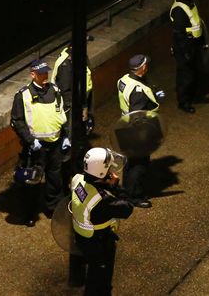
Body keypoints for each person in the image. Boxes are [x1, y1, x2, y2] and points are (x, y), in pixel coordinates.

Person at [10, 59, 69, 227]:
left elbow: (61, 114)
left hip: (55, 143)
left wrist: (65, 135)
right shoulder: (23, 95)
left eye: (46, 72)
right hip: (36, 147)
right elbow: (16, 121)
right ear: (33, 74)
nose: (45, 75)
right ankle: (30, 214)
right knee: (32, 181)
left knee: (55, 177)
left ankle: (54, 209)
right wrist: (30, 141)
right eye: (42, 73)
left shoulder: (55, 90)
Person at [71, 147, 134, 296]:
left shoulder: (77, 179)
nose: (112, 169)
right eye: (109, 167)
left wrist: (105, 183)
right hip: (98, 241)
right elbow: (127, 208)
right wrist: (117, 188)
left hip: (81, 237)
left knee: (93, 268)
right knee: (100, 275)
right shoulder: (102, 201)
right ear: (100, 173)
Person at [117, 54, 165, 208]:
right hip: (136, 132)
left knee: (130, 162)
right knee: (139, 164)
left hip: (124, 126)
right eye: (146, 65)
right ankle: (134, 196)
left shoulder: (124, 79)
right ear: (142, 68)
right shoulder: (138, 91)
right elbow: (137, 115)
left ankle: (127, 190)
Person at [51, 44, 94, 188]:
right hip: (69, 110)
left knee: (76, 142)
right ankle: (68, 180)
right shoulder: (66, 64)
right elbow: (65, 93)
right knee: (69, 146)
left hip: (77, 105)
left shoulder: (76, 59)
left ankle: (74, 174)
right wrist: (78, 112)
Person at [169, 0, 208, 113]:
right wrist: (186, 52)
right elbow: (179, 34)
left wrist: (202, 42)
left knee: (198, 71)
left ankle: (197, 97)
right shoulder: (179, 9)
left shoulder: (189, 2)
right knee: (185, 76)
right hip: (184, 48)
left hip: (193, 44)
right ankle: (183, 102)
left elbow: (197, 24)